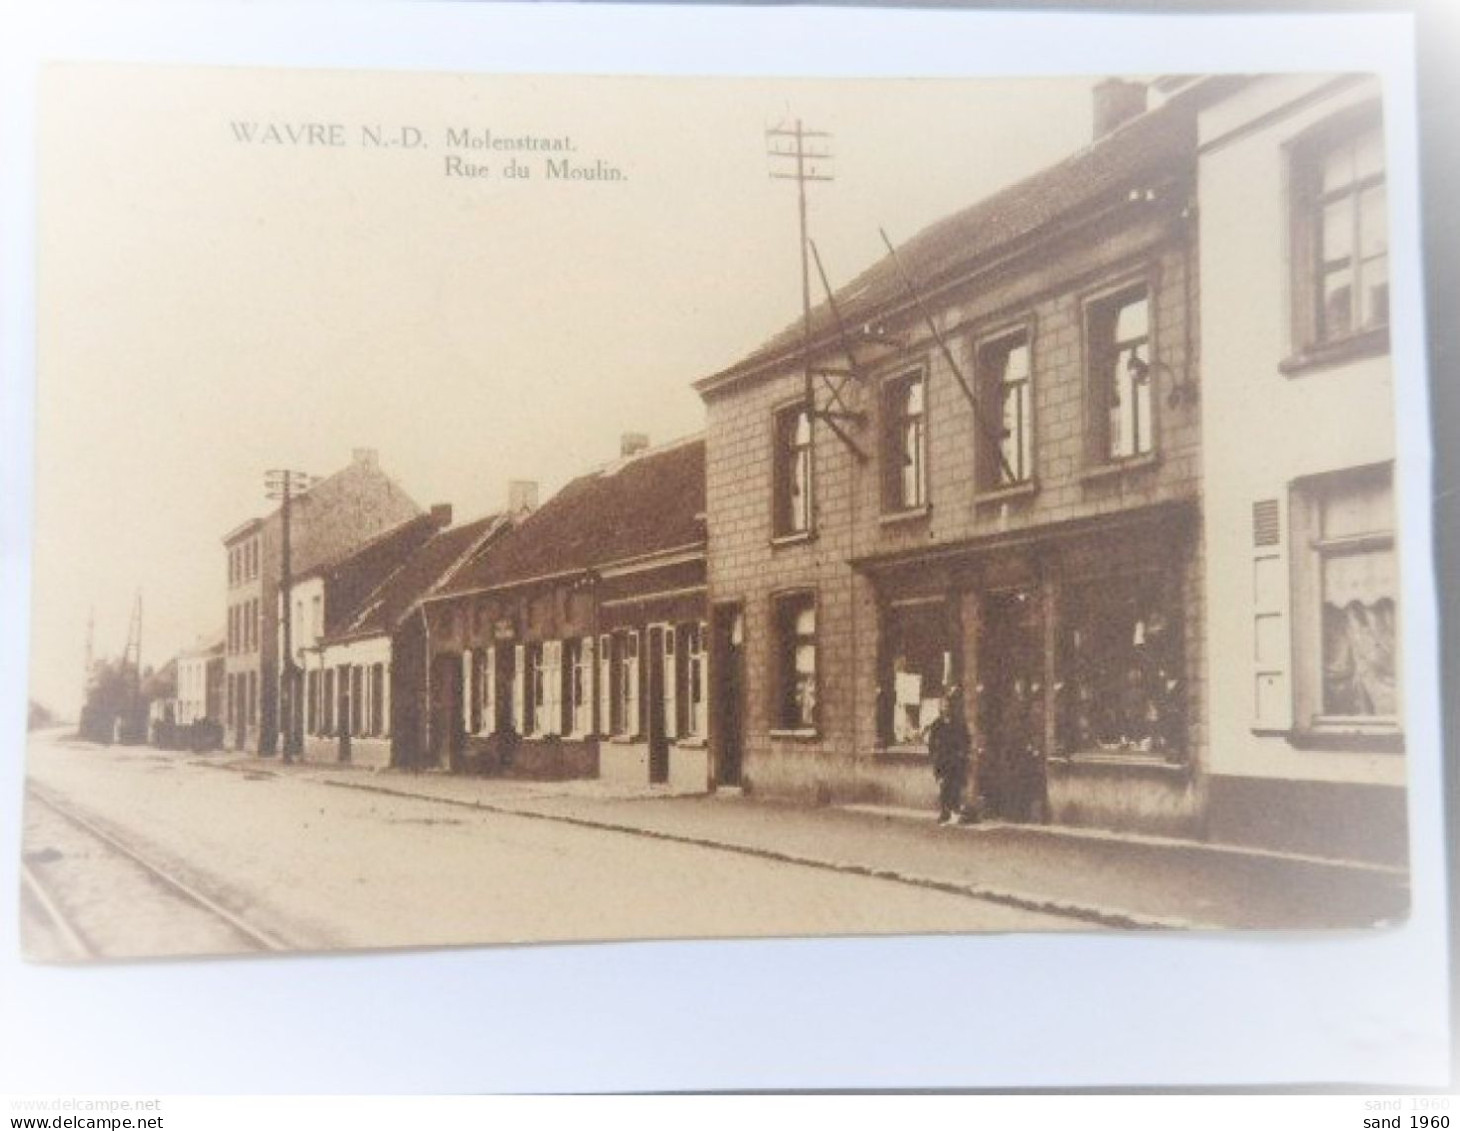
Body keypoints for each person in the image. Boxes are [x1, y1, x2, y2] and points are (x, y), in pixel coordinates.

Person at [928, 694, 974, 825]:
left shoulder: (958, 723)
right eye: (941, 706)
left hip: (955, 760)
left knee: (955, 786)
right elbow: (931, 742)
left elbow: (966, 740)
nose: (944, 708)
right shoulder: (936, 724)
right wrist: (933, 755)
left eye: (946, 705)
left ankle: (955, 811)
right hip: (942, 761)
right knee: (944, 787)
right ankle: (945, 812)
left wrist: (962, 754)